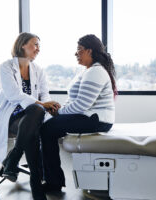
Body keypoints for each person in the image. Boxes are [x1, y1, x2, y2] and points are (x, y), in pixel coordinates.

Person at [40, 34, 117, 191]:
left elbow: (82, 105)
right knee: (48, 126)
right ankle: (49, 178)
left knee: (47, 129)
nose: (76, 54)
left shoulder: (95, 72)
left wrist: (59, 113)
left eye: (79, 50)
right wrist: (59, 110)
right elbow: (75, 101)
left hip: (96, 120)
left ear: (89, 51)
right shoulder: (87, 71)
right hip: (89, 117)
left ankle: (53, 182)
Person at [0, 32, 59, 200]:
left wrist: (50, 104)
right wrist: (42, 104)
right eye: (35, 44)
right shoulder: (5, 67)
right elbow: (13, 94)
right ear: (22, 45)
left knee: (34, 117)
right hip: (10, 115)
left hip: (30, 116)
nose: (38, 49)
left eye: (39, 46)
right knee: (34, 121)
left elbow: (45, 94)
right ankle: (36, 183)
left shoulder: (38, 70)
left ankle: (13, 159)